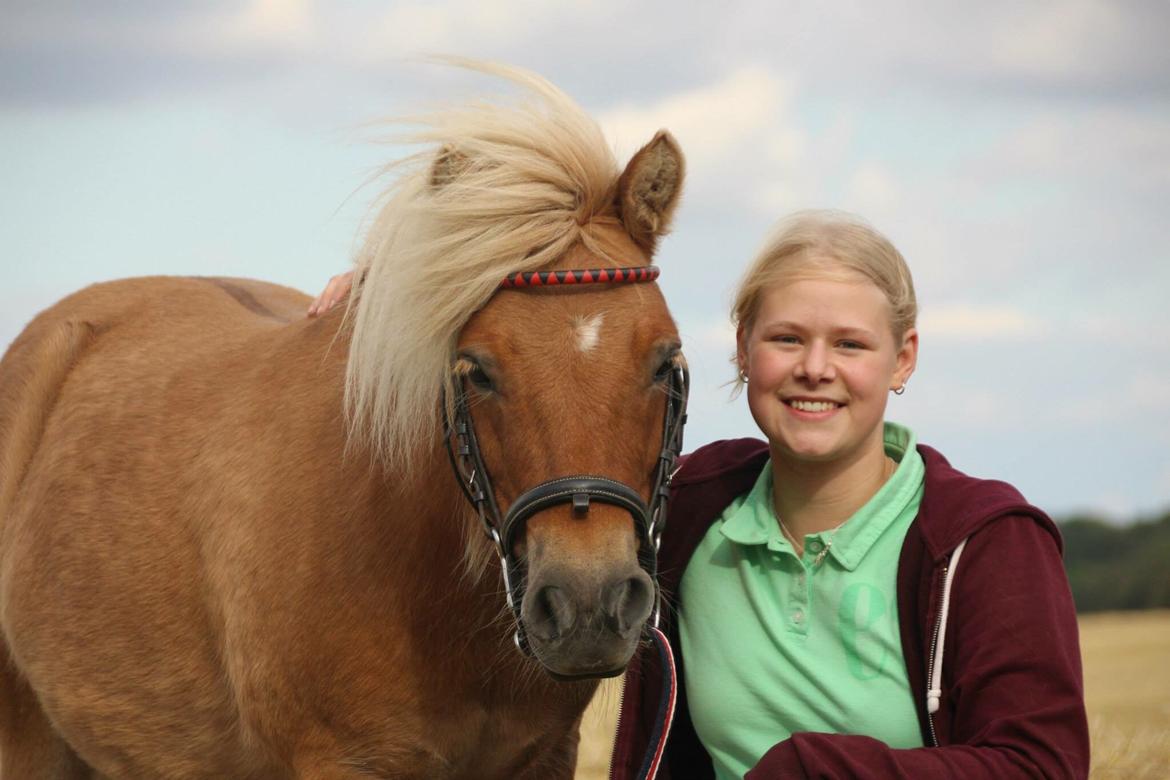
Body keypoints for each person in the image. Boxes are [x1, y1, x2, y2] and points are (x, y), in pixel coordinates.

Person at [310, 211, 1089, 778]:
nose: (814, 367)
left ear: (902, 359)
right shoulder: (684, 516)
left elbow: (1040, 765)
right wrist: (400, 299)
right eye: (786, 339)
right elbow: (544, 417)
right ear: (743, 349)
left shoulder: (982, 542)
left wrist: (810, 772)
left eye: (849, 344)